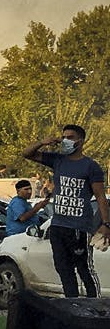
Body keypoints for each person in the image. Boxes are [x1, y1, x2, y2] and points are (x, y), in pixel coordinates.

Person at [22, 124, 110, 297]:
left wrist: (106, 224)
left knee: (84, 269)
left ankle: (95, 306)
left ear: (80, 141)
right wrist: (43, 142)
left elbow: (100, 197)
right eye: (63, 137)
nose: (65, 141)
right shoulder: (58, 160)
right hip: (58, 226)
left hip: (79, 228)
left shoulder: (91, 166)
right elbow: (26, 154)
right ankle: (72, 302)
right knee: (63, 268)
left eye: (70, 137)